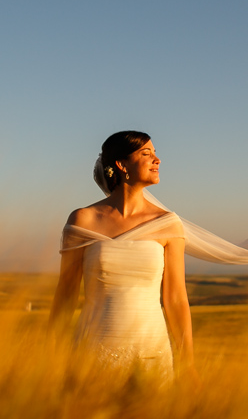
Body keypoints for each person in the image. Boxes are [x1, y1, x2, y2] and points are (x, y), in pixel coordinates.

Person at [49, 131, 193, 378]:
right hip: (93, 347)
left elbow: (176, 299)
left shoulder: (168, 224)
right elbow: (66, 294)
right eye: (146, 154)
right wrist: (51, 355)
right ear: (121, 164)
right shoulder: (83, 219)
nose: (157, 160)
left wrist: (187, 366)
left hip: (151, 350)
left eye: (156, 153)